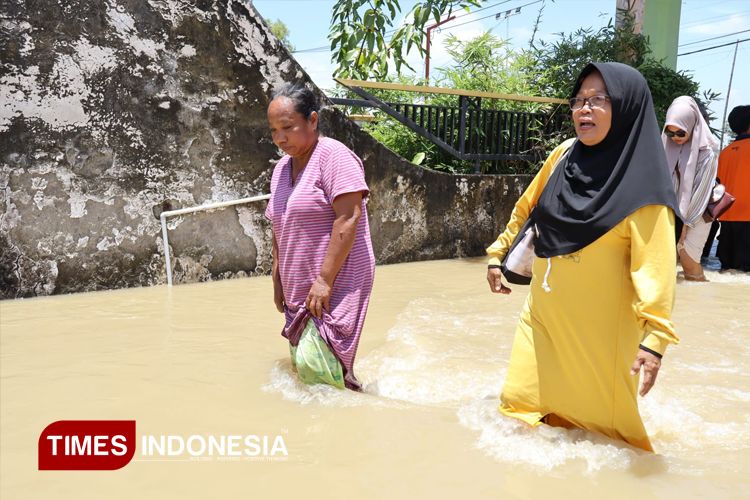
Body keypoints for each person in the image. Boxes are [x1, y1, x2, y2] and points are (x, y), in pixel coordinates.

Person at [485, 62, 680, 452]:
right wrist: (496, 254)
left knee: (607, 443)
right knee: (517, 414)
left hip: (601, 334)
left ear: (626, 108)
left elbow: (655, 270)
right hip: (541, 316)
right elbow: (527, 208)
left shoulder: (646, 192)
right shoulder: (562, 156)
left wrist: (654, 340)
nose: (583, 110)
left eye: (598, 100)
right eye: (578, 101)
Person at [265, 84, 376, 391]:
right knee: (308, 369)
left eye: (288, 127)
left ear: (312, 120)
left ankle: (350, 426)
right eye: (274, 130)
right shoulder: (280, 170)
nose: (280, 138)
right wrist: (277, 276)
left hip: (335, 281)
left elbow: (349, 217)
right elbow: (278, 223)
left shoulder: (334, 157)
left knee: (318, 369)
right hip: (298, 284)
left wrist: (325, 280)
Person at [662, 96, 719, 281]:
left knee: (688, 261)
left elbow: (700, 193)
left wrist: (685, 225)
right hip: (669, 213)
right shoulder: (664, 146)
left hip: (697, 214)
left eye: (680, 132)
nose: (675, 138)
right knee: (665, 264)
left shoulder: (707, 152)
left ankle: (700, 302)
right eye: (670, 133)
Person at [716, 105, 750, 272]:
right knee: (744, 271)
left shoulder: (725, 152)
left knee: (727, 268)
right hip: (748, 215)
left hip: (727, 214)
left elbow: (719, 182)